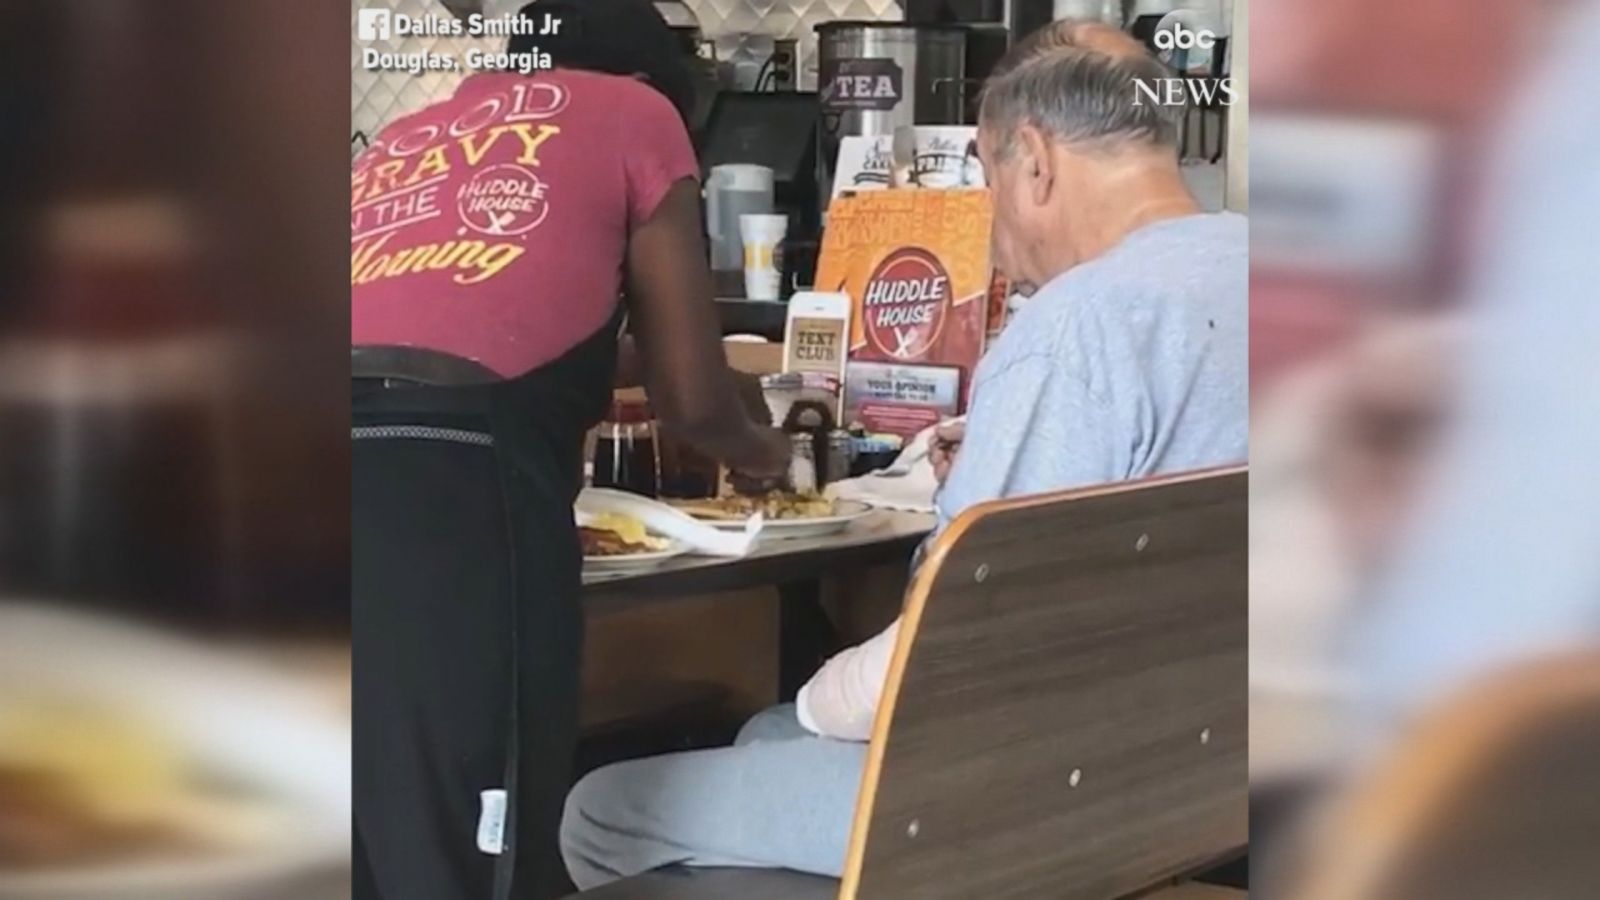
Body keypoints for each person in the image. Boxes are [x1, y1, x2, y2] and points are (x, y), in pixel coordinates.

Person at [558, 20, 1248, 888]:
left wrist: (818, 697)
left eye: (991, 189)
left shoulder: (1078, 325)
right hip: (1211, 770)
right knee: (765, 739)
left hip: (1032, 801)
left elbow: (949, 647)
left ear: (1032, 161)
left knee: (602, 807)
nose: (998, 239)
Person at [350, 1, 788, 898]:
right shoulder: (637, 113)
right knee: (477, 856)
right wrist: (766, 453)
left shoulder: (413, 132)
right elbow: (692, 402)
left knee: (362, 832)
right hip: (453, 479)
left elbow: (492, 327)